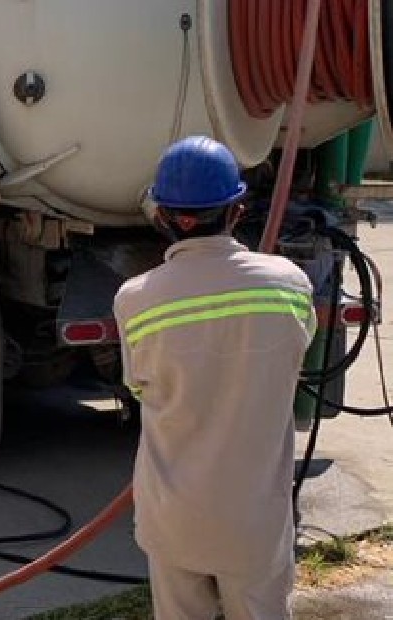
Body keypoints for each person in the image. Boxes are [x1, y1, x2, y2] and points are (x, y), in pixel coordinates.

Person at [113, 136, 317, 619]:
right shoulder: (290, 284)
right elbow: (295, 357)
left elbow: (137, 385)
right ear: (237, 210)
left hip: (173, 514)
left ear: (162, 216)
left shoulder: (135, 299)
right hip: (255, 519)